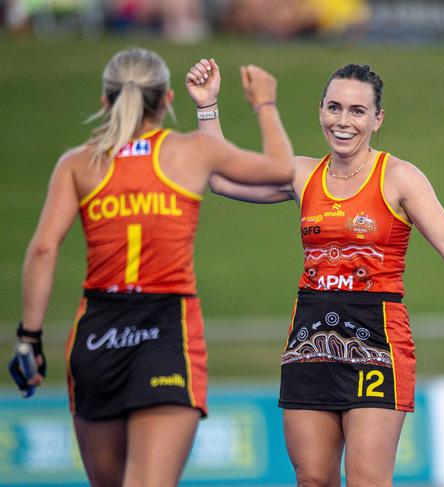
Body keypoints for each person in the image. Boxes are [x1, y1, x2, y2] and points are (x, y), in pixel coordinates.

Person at [186, 61, 444, 486]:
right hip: (310, 343)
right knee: (314, 479)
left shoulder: (398, 177)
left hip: (377, 342)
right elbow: (220, 178)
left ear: (377, 120)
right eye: (334, 108)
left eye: (357, 111)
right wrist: (207, 105)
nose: (343, 121)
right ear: (320, 110)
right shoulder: (302, 174)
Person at [9, 47, 293, 487]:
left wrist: (29, 339)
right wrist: (265, 103)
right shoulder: (190, 152)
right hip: (166, 327)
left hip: (98, 331)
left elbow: (44, 249)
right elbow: (279, 169)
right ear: (168, 100)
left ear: (106, 102)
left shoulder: (79, 163)